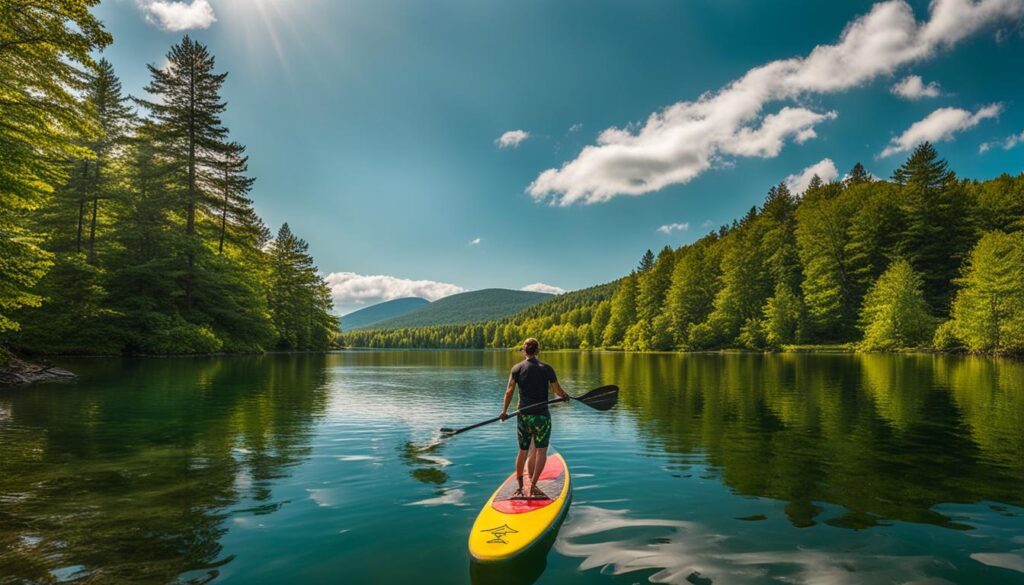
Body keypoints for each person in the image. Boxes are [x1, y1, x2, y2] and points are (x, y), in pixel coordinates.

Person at [499, 338, 570, 498]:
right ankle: (533, 487)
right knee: (541, 451)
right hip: (542, 417)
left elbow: (509, 391)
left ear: (525, 351)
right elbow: (557, 390)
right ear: (537, 351)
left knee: (522, 451)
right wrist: (565, 396)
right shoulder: (547, 369)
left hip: (523, 416)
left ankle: (520, 488)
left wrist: (504, 411)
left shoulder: (516, 368)